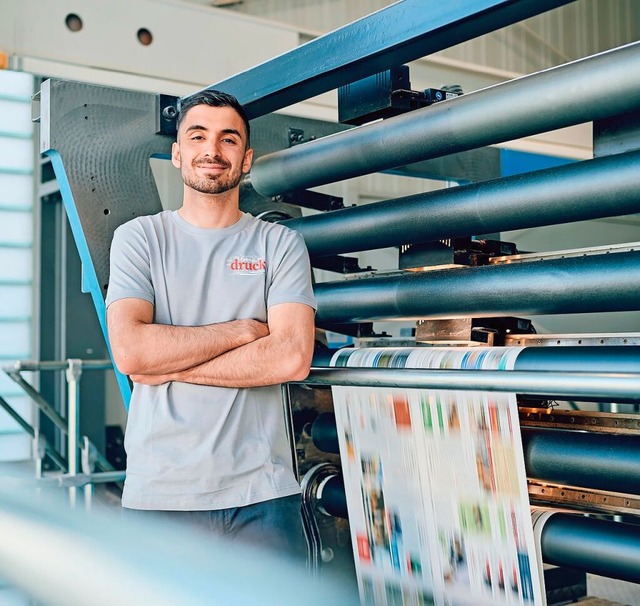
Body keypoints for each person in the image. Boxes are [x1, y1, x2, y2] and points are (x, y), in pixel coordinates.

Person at [105, 89, 317, 560]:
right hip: (161, 494)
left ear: (246, 159)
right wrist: (240, 332)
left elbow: (291, 356)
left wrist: (168, 365)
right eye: (197, 136)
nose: (212, 150)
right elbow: (132, 353)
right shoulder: (140, 238)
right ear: (178, 152)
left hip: (263, 495)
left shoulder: (279, 245)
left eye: (228, 139)